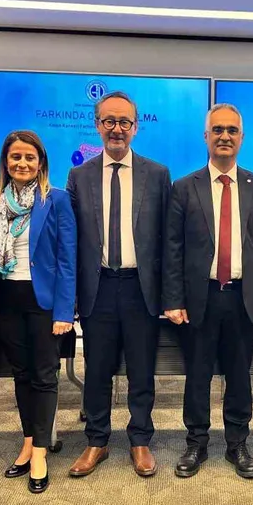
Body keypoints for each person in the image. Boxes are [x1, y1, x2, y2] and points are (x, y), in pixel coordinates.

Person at [163, 103, 253, 479]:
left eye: (231, 130)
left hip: (244, 298)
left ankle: (237, 444)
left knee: (239, 374)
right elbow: (173, 249)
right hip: (200, 298)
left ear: (241, 138)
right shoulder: (184, 187)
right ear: (206, 137)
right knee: (197, 374)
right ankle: (196, 442)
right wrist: (173, 299)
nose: (225, 136)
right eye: (218, 130)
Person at [66, 91, 171, 478]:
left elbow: (167, 239)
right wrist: (71, 297)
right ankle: (96, 440)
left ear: (135, 127)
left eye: (124, 122)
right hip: (98, 288)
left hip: (141, 288)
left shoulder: (157, 174)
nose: (117, 129)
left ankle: (140, 440)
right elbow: (72, 241)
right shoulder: (79, 176)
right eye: (109, 121)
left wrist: (169, 294)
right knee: (96, 370)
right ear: (97, 125)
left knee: (142, 370)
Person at [0, 130, 75, 494]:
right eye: (15, 156)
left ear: (40, 162)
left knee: (45, 376)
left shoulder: (56, 200)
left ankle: (40, 453)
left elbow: (68, 259)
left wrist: (65, 310)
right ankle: (28, 440)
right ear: (5, 161)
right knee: (21, 375)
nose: (22, 163)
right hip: (6, 300)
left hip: (43, 302)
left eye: (29, 157)